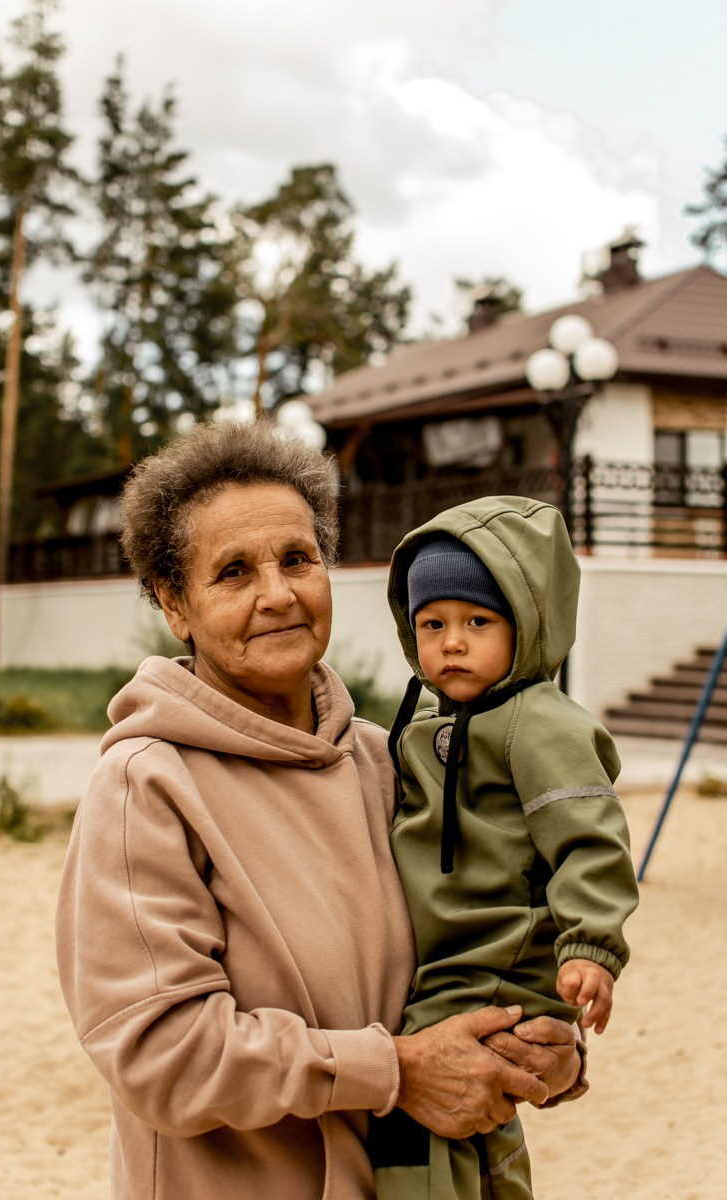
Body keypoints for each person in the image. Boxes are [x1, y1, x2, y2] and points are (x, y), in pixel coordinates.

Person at [55, 429, 585, 1200]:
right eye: (234, 572)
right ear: (174, 603)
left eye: (298, 559)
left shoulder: (392, 761)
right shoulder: (147, 788)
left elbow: (490, 931)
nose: (278, 594)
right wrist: (392, 1071)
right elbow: (162, 1053)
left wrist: (543, 1045)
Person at [372, 494, 639, 1199]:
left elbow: (591, 838)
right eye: (432, 624)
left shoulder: (540, 724)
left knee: (418, 1104)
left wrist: (591, 946)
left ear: (525, 625)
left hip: (497, 954)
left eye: (477, 622)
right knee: (476, 1111)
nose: (451, 643)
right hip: (452, 959)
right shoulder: (431, 722)